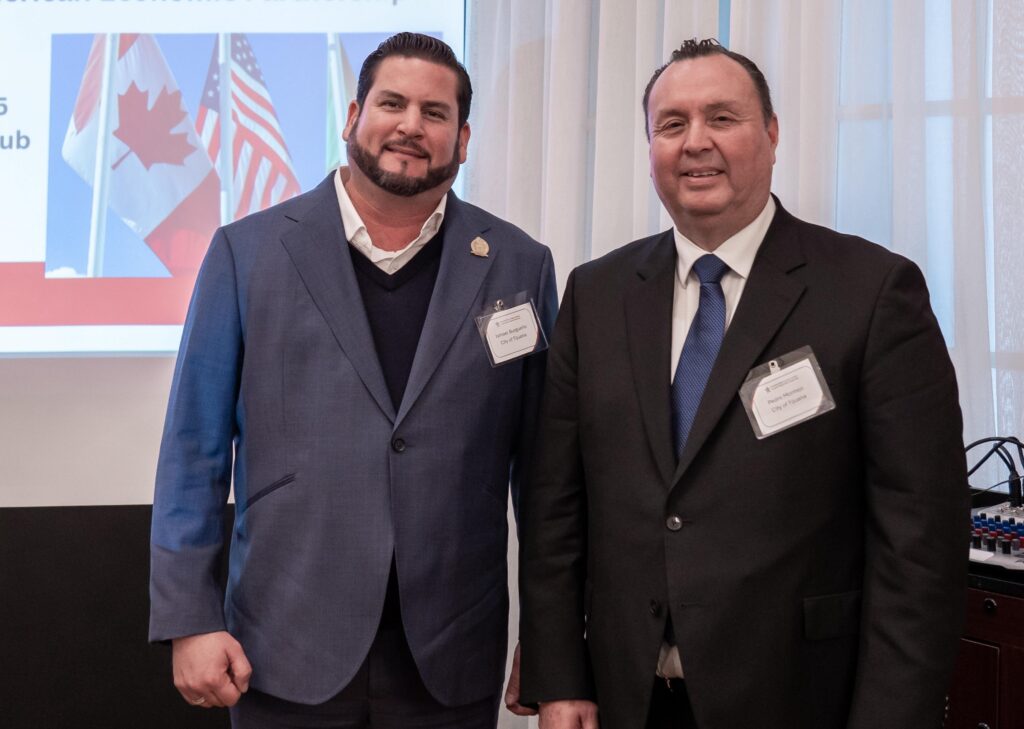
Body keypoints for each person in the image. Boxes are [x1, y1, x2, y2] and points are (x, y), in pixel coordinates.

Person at [519, 39, 967, 729]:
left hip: (800, 699)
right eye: (672, 124)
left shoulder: (872, 293)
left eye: (722, 118)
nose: (695, 142)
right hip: (625, 698)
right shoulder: (596, 295)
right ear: (650, 147)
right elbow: (555, 507)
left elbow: (920, 544)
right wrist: (559, 679)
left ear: (772, 134)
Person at [150, 32, 556, 728]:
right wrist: (190, 617)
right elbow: (194, 450)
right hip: (283, 645)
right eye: (392, 103)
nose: (410, 125)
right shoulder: (248, 253)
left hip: (451, 655)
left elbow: (546, 476)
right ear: (351, 117)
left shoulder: (518, 264)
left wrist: (550, 641)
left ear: (462, 140)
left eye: (435, 112)